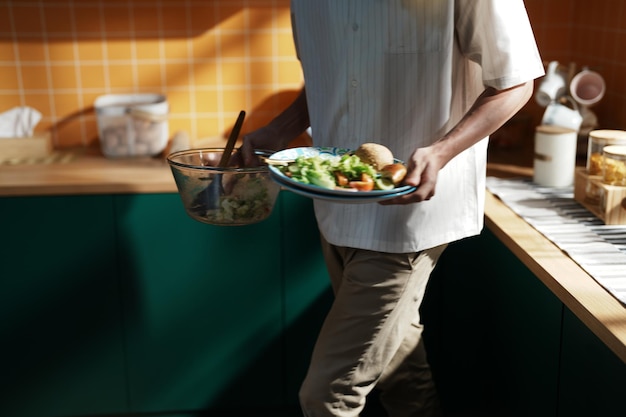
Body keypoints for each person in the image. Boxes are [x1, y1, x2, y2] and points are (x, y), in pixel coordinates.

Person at [240, 1, 544, 416]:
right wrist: (279, 127)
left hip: (409, 217)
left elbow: (516, 82)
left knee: (327, 395)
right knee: (401, 375)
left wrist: (441, 152)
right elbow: (331, 77)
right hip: (334, 207)